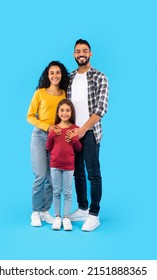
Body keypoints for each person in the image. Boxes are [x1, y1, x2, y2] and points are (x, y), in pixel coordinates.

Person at [67, 39, 109, 231]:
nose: (81, 54)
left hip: (90, 132)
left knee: (93, 173)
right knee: (77, 173)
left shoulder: (100, 77)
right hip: (72, 133)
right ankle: (83, 207)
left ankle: (94, 214)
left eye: (85, 51)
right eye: (78, 51)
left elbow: (101, 109)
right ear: (74, 55)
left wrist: (82, 129)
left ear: (90, 54)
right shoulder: (70, 77)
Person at [27, 61, 70, 227]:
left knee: (54, 179)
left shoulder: (64, 94)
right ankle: (35, 212)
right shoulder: (40, 93)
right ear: (47, 75)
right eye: (52, 73)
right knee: (40, 175)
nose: (55, 76)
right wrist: (47, 127)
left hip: (58, 140)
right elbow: (30, 116)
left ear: (62, 75)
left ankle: (45, 211)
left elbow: (67, 115)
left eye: (58, 72)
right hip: (40, 136)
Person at [46, 99, 82, 231]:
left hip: (68, 166)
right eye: (62, 110)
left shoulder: (75, 129)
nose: (65, 113)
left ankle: (66, 218)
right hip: (55, 164)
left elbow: (78, 149)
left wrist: (74, 138)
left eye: (67, 110)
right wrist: (51, 135)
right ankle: (57, 217)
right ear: (58, 112)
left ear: (71, 112)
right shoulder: (54, 128)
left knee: (67, 192)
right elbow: (48, 147)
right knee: (56, 191)